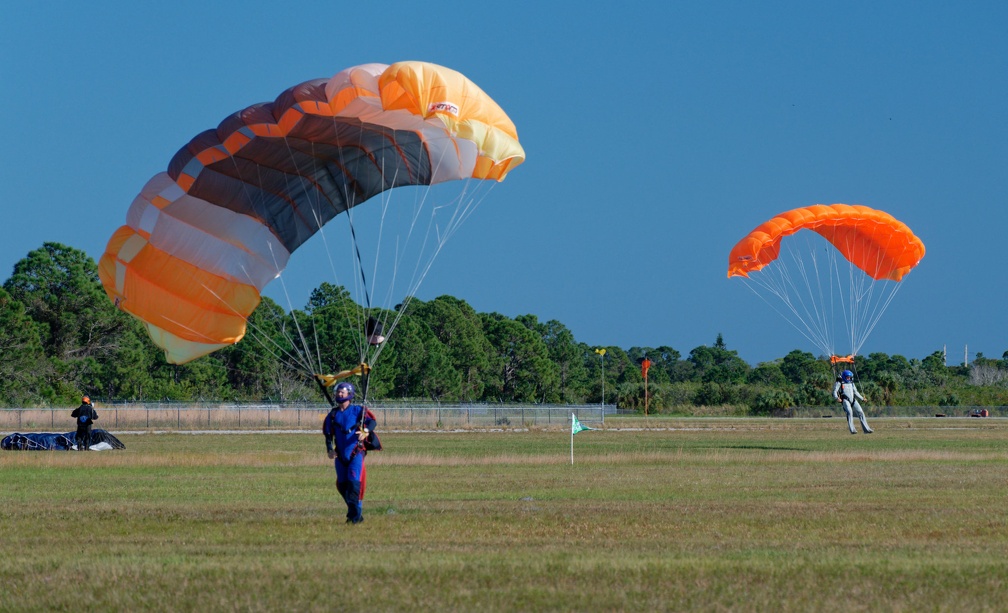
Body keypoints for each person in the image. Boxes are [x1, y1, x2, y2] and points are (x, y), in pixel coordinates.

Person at [322, 382, 377, 524]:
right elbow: (328, 434)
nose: (340, 394)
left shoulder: (358, 410)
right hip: (340, 455)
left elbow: (372, 422)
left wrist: (365, 431)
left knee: (354, 485)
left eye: (343, 392)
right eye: (338, 392)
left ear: (349, 394)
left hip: (356, 453)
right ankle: (356, 515)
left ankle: (354, 517)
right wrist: (329, 449)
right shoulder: (333, 415)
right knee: (342, 486)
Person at [833, 370, 873, 434]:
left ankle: (866, 429)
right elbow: (835, 391)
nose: (849, 378)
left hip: (853, 400)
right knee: (849, 412)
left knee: (860, 412)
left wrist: (862, 398)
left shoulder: (851, 382)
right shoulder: (840, 382)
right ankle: (852, 430)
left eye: (850, 377)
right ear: (844, 377)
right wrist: (837, 398)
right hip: (845, 400)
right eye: (847, 377)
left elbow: (855, 392)